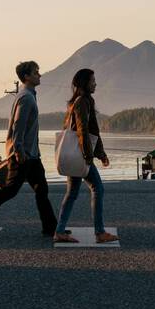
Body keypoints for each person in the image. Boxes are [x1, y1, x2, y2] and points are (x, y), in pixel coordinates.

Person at [0, 61, 57, 237]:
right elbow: (18, 126)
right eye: (36, 72)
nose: (40, 75)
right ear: (26, 77)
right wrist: (19, 151)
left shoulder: (29, 95)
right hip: (23, 155)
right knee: (10, 190)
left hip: (32, 155)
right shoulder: (26, 97)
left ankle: (51, 228)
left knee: (41, 190)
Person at [54, 68, 118, 244]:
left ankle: (59, 231)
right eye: (93, 81)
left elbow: (86, 130)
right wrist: (90, 156)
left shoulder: (78, 101)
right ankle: (100, 232)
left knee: (72, 193)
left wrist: (100, 154)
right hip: (82, 155)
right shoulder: (83, 102)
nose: (95, 84)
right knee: (98, 189)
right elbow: (84, 130)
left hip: (75, 154)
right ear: (85, 83)